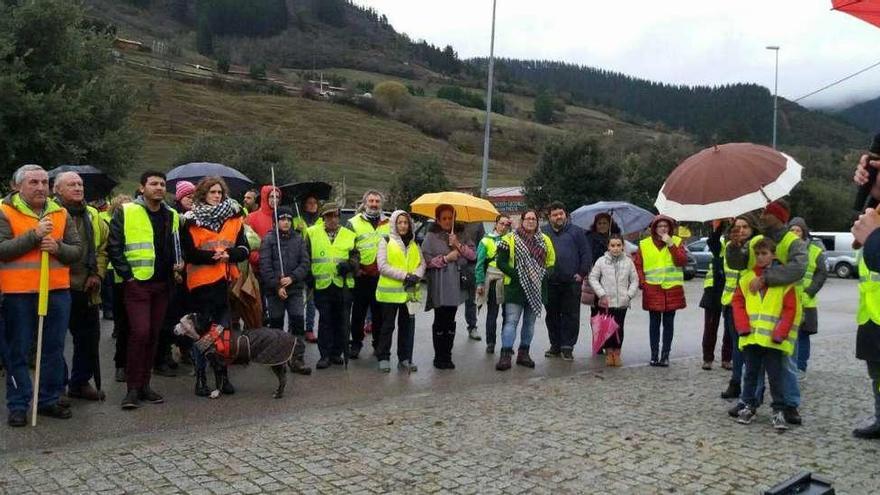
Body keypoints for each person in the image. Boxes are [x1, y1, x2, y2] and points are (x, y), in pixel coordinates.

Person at [1, 165, 82, 427]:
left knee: (53, 349)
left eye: (44, 182)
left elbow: (76, 250)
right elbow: (3, 250)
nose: (40, 187)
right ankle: (18, 404)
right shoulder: (4, 211)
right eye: (33, 182)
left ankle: (48, 399)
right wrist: (34, 236)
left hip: (56, 290)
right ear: (18, 186)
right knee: (19, 351)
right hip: (18, 293)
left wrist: (58, 247)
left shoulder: (60, 212)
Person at [726, 200, 806, 426]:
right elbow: (739, 264)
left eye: (765, 212)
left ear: (778, 216)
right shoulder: (755, 241)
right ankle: (749, 402)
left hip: (784, 313)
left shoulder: (793, 242)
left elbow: (798, 269)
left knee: (786, 364)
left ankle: (790, 405)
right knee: (754, 366)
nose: (761, 215)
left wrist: (766, 278)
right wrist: (733, 246)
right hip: (758, 313)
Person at [108, 171, 180, 410]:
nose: (159, 188)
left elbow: (174, 245)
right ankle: (131, 388)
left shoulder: (172, 215)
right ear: (142, 188)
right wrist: (128, 276)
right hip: (137, 283)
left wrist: (178, 264)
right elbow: (114, 246)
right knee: (140, 332)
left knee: (153, 335)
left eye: (162, 184)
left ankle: (145, 385)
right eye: (154, 184)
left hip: (162, 283)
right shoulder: (127, 211)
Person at [180, 177, 249, 396]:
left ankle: (223, 376)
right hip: (201, 285)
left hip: (224, 283)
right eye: (212, 192)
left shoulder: (234, 217)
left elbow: (244, 248)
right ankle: (201, 379)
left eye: (220, 192)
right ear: (203, 194)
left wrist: (229, 254)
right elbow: (189, 252)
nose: (217, 196)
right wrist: (213, 257)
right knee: (202, 333)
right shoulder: (189, 220)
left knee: (223, 331)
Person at [731, 237, 798, 431]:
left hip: (772, 340)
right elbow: (738, 304)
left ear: (773, 255)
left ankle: (779, 410)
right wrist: (742, 327)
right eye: (758, 254)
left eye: (764, 254)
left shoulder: (783, 279)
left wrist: (780, 333)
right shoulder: (746, 279)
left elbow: (790, 309)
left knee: (776, 377)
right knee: (750, 374)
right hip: (751, 337)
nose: (760, 257)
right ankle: (749, 405)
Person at [54, 172, 109, 401]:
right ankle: (57, 385)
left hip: (87, 288)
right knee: (54, 341)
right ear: (57, 190)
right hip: (58, 285)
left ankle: (80, 383)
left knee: (88, 339)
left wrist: (97, 272)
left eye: (80, 184)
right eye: (72, 184)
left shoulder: (93, 215)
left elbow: (103, 247)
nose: (78, 188)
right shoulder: (50, 214)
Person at [495, 210, 556, 370]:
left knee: (529, 323)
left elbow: (551, 262)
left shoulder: (545, 240)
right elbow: (501, 262)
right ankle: (505, 355)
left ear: (537, 221)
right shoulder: (509, 239)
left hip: (536, 288)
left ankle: (524, 354)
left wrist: (543, 275)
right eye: (527, 218)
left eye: (533, 219)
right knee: (511, 322)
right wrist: (518, 275)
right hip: (515, 287)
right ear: (522, 221)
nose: (530, 221)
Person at [421, 205, 476, 370]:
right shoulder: (430, 237)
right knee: (440, 320)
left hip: (455, 284)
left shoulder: (461, 235)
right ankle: (439, 356)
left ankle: (448, 356)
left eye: (450, 218)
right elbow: (427, 262)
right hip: (439, 283)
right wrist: (446, 258)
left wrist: (457, 244)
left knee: (450, 320)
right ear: (438, 220)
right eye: (443, 218)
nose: (447, 221)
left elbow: (473, 255)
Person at [260, 206, 312, 375]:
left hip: (295, 289)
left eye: (289, 219)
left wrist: (292, 278)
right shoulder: (268, 239)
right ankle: (276, 358)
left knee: (298, 322)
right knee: (276, 324)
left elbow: (305, 263)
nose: (286, 222)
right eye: (282, 219)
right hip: (275, 291)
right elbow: (265, 266)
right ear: (276, 221)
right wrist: (277, 285)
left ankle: (296, 358)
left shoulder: (298, 239)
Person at [307, 202, 359, 369]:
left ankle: (337, 353)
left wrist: (350, 265)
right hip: (321, 285)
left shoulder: (349, 235)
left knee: (341, 321)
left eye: (335, 216)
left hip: (343, 285)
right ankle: (325, 355)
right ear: (323, 217)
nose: (333, 219)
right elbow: (306, 257)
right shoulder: (311, 233)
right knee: (325, 321)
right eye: (329, 216)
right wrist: (309, 280)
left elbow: (357, 258)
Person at [153, 180, 195, 378]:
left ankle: (186, 349)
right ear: (179, 198)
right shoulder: (172, 216)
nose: (191, 199)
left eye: (194, 196)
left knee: (188, 314)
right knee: (168, 317)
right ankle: (164, 354)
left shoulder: (194, 217)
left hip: (190, 273)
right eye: (187, 196)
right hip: (171, 273)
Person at [851, 155, 880, 439]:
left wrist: (874, 238)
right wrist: (871, 193)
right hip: (872, 314)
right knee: (877, 375)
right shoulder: (875, 209)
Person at [375, 210, 425, 373]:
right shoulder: (386, 240)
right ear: (394, 224)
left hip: (409, 293)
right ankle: (383, 357)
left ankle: (404, 358)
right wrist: (405, 276)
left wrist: (416, 276)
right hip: (390, 294)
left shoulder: (414, 243)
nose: (403, 226)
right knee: (387, 327)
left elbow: (422, 264)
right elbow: (382, 266)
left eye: (406, 223)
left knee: (406, 327)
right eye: (400, 222)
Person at [634, 215, 687, 367]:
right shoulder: (644, 244)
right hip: (653, 289)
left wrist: (671, 245)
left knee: (669, 324)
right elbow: (638, 265)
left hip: (672, 289)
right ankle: (654, 355)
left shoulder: (676, 241)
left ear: (670, 228)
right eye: (660, 226)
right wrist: (643, 283)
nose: (663, 229)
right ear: (654, 229)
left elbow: (681, 261)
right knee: (654, 324)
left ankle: (665, 355)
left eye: (666, 226)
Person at [542, 202, 591, 361]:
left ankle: (567, 347)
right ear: (549, 217)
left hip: (571, 282)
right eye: (555, 214)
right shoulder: (543, 232)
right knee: (552, 315)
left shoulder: (577, 232)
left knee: (571, 315)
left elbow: (585, 254)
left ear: (566, 214)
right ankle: (555, 346)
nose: (558, 217)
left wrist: (581, 273)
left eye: (561, 214)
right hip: (550, 281)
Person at [719, 214, 760, 400]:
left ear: (753, 229)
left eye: (745, 227)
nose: (741, 230)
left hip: (752, 303)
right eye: (737, 227)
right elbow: (734, 264)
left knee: (750, 348)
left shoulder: (757, 245)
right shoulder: (729, 246)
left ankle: (752, 388)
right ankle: (736, 382)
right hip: (730, 302)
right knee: (737, 347)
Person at [347, 190, 390, 359]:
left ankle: (378, 344)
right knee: (358, 313)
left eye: (377, 201)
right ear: (364, 203)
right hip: (361, 275)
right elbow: (348, 249)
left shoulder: (389, 222)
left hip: (381, 275)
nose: (374, 204)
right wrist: (356, 269)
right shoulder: (353, 222)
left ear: (381, 204)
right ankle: (356, 343)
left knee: (379, 313)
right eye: (371, 201)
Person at [588, 234, 639, 367]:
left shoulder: (628, 262)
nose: (615, 248)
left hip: (622, 302)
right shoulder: (601, 261)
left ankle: (617, 353)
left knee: (619, 328)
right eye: (613, 245)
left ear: (623, 246)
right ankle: (609, 353)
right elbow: (593, 278)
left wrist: (629, 295)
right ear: (608, 247)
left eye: (618, 245)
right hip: (606, 302)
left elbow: (634, 280)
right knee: (608, 329)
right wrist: (601, 294)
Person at [788, 217, 827, 376]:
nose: (795, 233)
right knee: (788, 335)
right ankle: (789, 367)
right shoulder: (785, 249)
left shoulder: (815, 251)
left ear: (804, 232)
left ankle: (800, 368)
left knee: (803, 337)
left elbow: (821, 273)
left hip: (806, 301)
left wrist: (810, 290)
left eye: (798, 230)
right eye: (792, 230)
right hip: (789, 299)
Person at [475, 214, 512, 353]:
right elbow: (479, 264)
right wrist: (479, 283)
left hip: (508, 280)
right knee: (492, 313)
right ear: (496, 224)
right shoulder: (486, 241)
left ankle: (506, 343)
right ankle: (490, 343)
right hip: (492, 280)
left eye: (506, 224)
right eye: (501, 223)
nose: (503, 227)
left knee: (508, 315)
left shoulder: (512, 239)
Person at [108, 194, 133, 383]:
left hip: (141, 280)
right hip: (120, 279)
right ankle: (121, 365)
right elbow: (112, 249)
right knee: (124, 323)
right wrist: (125, 273)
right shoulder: (114, 223)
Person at [700, 221, 731, 371]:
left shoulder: (742, 247)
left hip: (731, 288)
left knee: (730, 328)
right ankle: (708, 358)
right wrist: (720, 224)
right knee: (711, 326)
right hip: (713, 289)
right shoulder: (719, 245)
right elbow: (712, 240)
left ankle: (727, 358)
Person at [294, 192, 322, 343]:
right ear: (304, 204)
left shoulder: (320, 222)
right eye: (309, 202)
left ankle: (309, 328)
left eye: (314, 203)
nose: (312, 205)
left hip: (314, 264)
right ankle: (295, 327)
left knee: (311, 300)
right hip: (298, 264)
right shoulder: (296, 219)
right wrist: (297, 231)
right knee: (297, 299)